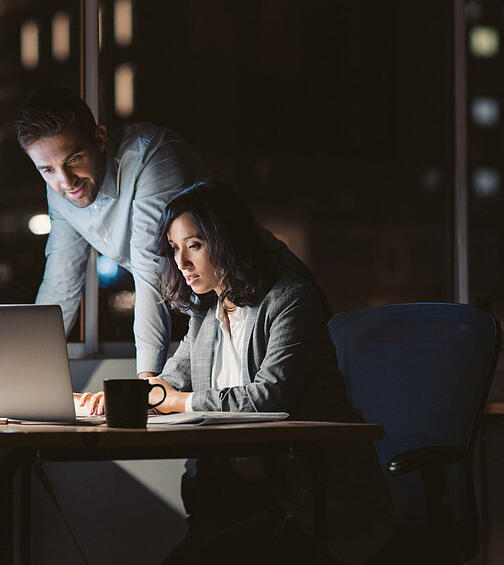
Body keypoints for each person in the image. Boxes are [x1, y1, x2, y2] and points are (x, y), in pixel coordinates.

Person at [78, 181, 392, 564]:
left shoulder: (291, 300)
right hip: (242, 492)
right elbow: (169, 382)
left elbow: (267, 398)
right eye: (175, 249)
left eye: (194, 245)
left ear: (227, 239)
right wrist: (119, 400)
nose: (182, 263)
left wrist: (172, 400)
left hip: (308, 494)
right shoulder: (206, 313)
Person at [15, 87, 313, 377]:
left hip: (267, 294)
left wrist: (141, 388)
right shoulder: (61, 190)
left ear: (100, 139)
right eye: (47, 170)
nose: (65, 181)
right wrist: (22, 380)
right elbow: (60, 284)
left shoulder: (151, 156)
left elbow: (150, 273)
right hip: (211, 312)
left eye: (73, 159)